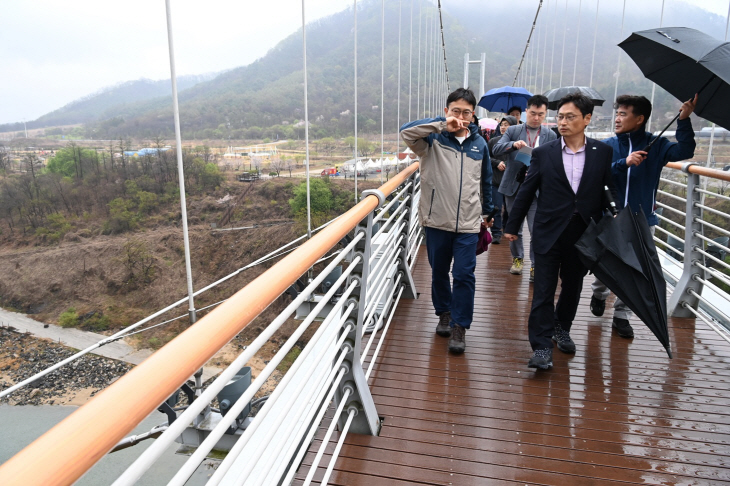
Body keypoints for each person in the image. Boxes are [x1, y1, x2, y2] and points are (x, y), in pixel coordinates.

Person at [504, 93, 615, 370]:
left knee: (573, 287)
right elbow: (528, 190)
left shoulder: (603, 153)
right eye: (560, 117)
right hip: (547, 230)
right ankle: (541, 347)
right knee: (543, 289)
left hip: (582, 232)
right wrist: (512, 226)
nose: (562, 122)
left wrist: (613, 221)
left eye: (570, 117)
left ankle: (561, 328)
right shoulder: (544, 153)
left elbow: (606, 191)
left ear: (587, 119)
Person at [590, 94, 697, 338]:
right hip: (610, 216)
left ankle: (621, 315)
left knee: (636, 269)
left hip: (642, 219)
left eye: (623, 114)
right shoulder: (607, 145)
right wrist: (623, 163)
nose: (617, 118)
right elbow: (597, 173)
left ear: (639, 119)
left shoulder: (656, 145)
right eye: (617, 113)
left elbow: (685, 150)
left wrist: (684, 119)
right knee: (605, 263)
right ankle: (599, 293)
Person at [400, 88, 493, 354]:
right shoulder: (432, 140)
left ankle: (459, 326)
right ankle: (444, 312)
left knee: (464, 274)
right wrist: (443, 125)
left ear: (473, 115)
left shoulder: (480, 145)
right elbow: (406, 132)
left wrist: (488, 213)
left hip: (468, 223)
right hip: (436, 220)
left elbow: (485, 181)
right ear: (446, 111)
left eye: (466, 112)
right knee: (439, 272)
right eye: (455, 111)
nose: (461, 116)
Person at [493, 95, 557, 281]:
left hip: (537, 189)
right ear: (526, 112)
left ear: (545, 115)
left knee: (536, 228)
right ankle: (517, 259)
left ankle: (535, 265)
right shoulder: (513, 130)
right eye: (533, 113)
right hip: (515, 185)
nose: (536, 118)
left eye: (540, 114)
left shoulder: (550, 135)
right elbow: (496, 149)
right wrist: (513, 145)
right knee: (515, 227)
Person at [488, 116, 518, 244]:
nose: (503, 127)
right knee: (496, 207)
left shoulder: (518, 143)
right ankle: (496, 233)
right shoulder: (493, 141)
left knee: (510, 209)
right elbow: (486, 158)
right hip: (496, 180)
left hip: (512, 182)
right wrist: (497, 162)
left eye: (507, 124)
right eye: (502, 124)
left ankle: (508, 229)